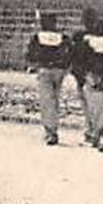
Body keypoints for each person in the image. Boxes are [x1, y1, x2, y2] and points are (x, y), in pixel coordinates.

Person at [71, 19, 103, 151]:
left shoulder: (88, 43)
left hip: (92, 76)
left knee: (95, 108)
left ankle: (102, 135)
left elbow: (80, 60)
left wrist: (82, 76)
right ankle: (99, 136)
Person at [26, 12, 71, 145]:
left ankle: (50, 131)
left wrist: (33, 65)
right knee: (55, 99)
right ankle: (53, 126)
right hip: (59, 71)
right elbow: (69, 52)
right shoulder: (62, 37)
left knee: (47, 101)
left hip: (44, 70)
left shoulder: (38, 37)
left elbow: (30, 54)